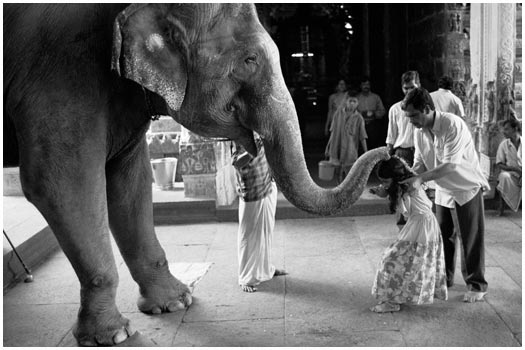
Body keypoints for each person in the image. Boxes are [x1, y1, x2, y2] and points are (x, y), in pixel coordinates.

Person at [399, 87, 490, 303]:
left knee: (471, 239)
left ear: (428, 109)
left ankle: (477, 285)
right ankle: (444, 279)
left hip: (465, 188)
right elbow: (419, 164)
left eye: (414, 115)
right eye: (408, 117)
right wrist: (403, 180)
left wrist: (420, 180)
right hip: (442, 190)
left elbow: (450, 165)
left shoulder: (452, 124)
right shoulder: (418, 132)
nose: (411, 121)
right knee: (442, 238)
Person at [369, 156, 448, 313]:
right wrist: (386, 192)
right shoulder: (407, 182)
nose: (384, 185)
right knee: (409, 262)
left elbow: (404, 212)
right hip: (423, 223)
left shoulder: (407, 186)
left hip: (421, 225)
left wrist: (385, 194)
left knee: (391, 259)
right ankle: (398, 296)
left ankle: (392, 301)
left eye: (386, 181)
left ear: (395, 177)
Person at [232, 135, 286, 293]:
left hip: (267, 186)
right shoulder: (239, 134)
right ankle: (246, 278)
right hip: (252, 192)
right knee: (249, 237)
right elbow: (237, 162)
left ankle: (266, 269)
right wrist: (253, 150)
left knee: (266, 232)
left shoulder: (261, 130)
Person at [384, 70, 420, 226]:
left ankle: (419, 221)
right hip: (402, 152)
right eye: (406, 88)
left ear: (418, 85)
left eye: (412, 87)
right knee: (399, 189)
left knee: (420, 187)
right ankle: (402, 223)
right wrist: (388, 158)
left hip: (420, 151)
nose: (409, 91)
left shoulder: (426, 107)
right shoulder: (395, 109)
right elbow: (391, 136)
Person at [324, 91, 368, 182]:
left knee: (349, 173)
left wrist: (366, 152)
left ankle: (346, 192)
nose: (352, 103)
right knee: (338, 172)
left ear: (357, 103)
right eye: (350, 101)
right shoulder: (338, 114)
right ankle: (338, 188)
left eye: (354, 101)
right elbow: (332, 131)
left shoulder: (359, 118)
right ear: (346, 102)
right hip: (336, 148)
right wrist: (327, 147)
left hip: (350, 150)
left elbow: (362, 136)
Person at [495, 119, 522, 214]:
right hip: (511, 174)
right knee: (503, 177)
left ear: (515, 129)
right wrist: (514, 169)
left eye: (506, 129)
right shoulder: (504, 144)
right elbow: (499, 163)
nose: (503, 132)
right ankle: (501, 207)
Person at [357, 76, 386, 149]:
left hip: (373, 125)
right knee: (361, 147)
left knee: (373, 147)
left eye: (367, 84)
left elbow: (382, 111)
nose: (366, 86)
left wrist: (374, 113)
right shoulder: (357, 98)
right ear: (360, 86)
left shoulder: (376, 97)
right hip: (359, 125)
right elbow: (352, 112)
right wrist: (362, 114)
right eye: (364, 84)